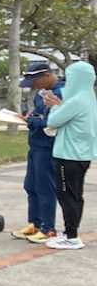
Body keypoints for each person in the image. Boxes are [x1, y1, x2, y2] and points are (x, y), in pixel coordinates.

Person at [41, 59, 96, 250]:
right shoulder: (89, 97)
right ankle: (70, 233)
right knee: (75, 195)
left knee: (67, 196)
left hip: (69, 155)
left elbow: (54, 120)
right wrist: (60, 105)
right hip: (81, 155)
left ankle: (72, 236)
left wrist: (55, 106)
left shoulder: (76, 100)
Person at [12, 60, 63, 242]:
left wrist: (29, 121)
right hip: (35, 145)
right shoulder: (42, 94)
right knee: (31, 186)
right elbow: (37, 115)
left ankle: (48, 227)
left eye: (35, 82)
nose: (34, 87)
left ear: (47, 76)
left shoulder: (60, 93)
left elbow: (53, 123)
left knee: (45, 188)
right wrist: (30, 118)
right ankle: (35, 223)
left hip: (48, 147)